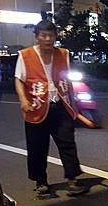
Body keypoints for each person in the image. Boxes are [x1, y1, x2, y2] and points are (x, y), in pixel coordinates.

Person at [14, 20, 87, 197]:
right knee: (37, 146)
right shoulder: (25, 55)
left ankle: (72, 179)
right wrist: (23, 101)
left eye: (51, 35)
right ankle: (41, 182)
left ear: (56, 36)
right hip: (36, 107)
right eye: (43, 36)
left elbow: (68, 80)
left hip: (60, 105)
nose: (47, 39)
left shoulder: (63, 54)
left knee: (67, 142)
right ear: (37, 37)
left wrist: (74, 103)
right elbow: (19, 80)